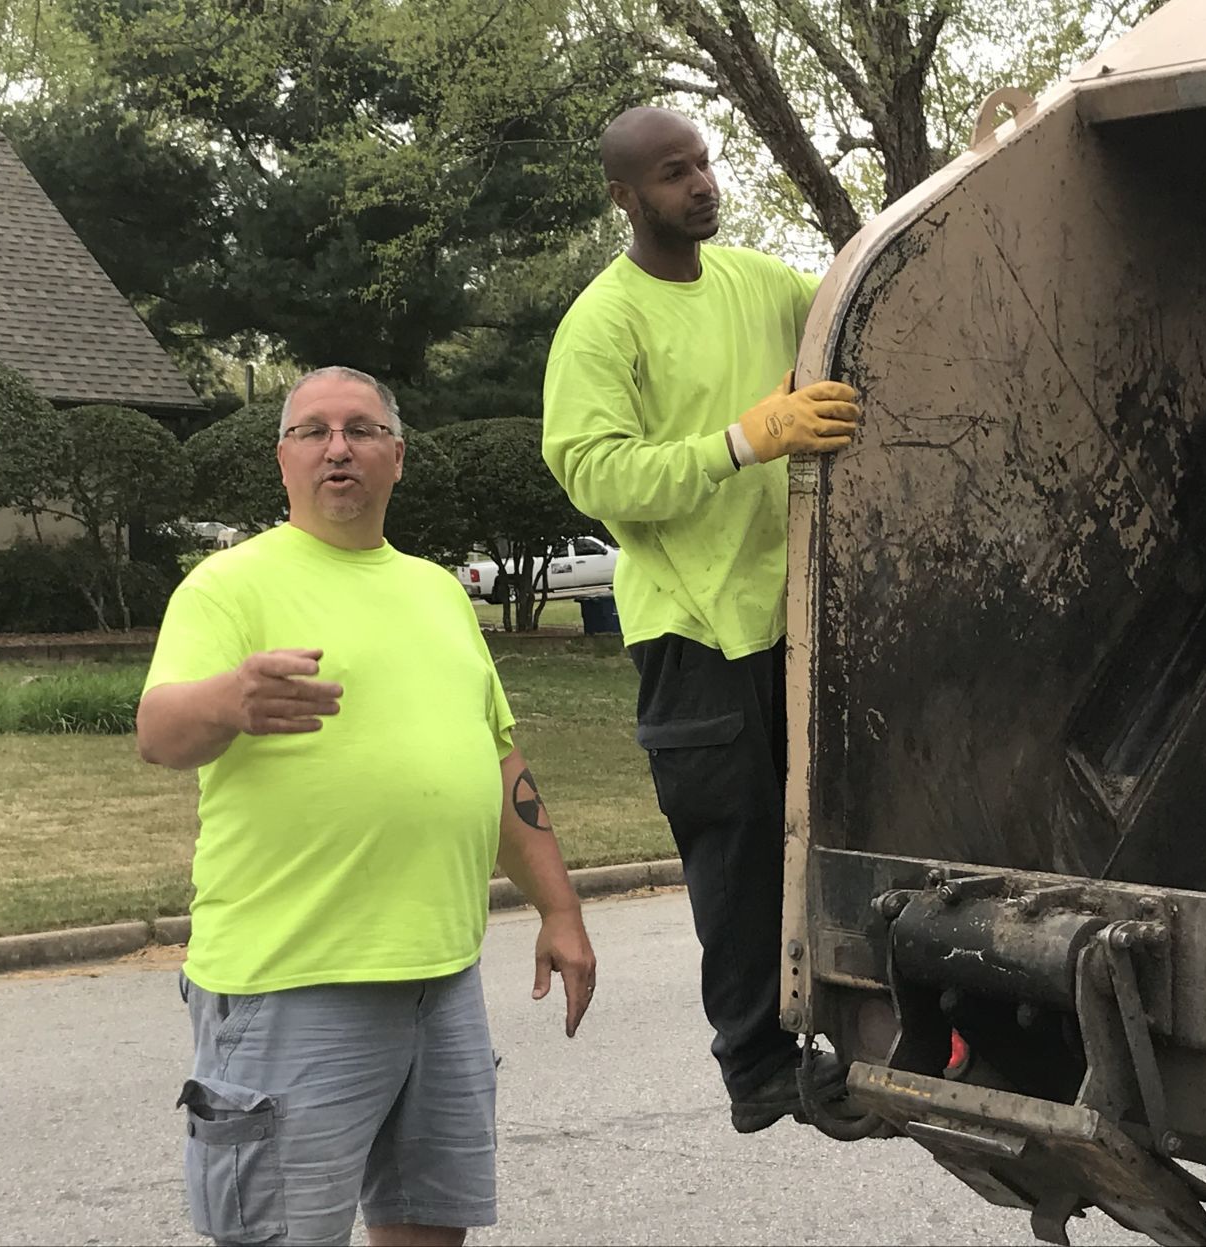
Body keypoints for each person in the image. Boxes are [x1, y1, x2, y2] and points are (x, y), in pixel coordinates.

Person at [138, 365, 596, 1247]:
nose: (337, 446)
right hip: (291, 983)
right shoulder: (229, 585)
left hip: (440, 981)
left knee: (430, 1228)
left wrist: (561, 908)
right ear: (283, 459)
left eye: (361, 429)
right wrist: (230, 699)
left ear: (397, 456)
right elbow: (158, 733)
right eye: (312, 430)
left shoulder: (436, 592)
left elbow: (497, 757)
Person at [541, 107, 860, 1134]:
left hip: (792, 610)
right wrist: (743, 439)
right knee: (735, 846)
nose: (702, 184)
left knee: (828, 826)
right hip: (690, 626)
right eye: (674, 173)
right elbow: (596, 473)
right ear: (625, 197)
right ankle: (756, 1065)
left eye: (706, 164)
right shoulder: (604, 322)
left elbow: (852, 312)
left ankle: (849, 1026)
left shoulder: (759, 282)